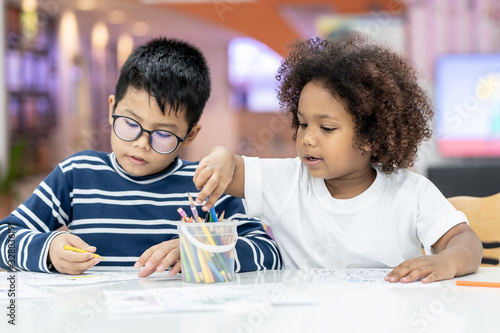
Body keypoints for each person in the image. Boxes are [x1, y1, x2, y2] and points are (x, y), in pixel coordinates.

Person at [193, 33, 482, 283]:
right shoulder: (286, 181)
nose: (307, 138)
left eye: (327, 128)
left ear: (371, 136)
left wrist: (447, 262)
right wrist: (221, 157)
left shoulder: (411, 192)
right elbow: (231, 168)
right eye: (303, 123)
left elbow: (465, 241)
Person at [0, 37, 281, 277]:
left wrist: (202, 252)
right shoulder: (77, 174)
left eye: (163, 134)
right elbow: (5, 237)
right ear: (112, 110)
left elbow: (268, 252)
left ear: (191, 135)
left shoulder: (207, 185)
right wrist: (48, 250)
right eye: (130, 124)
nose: (141, 144)